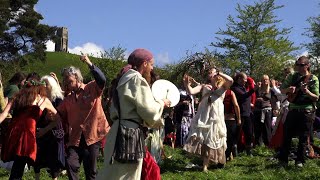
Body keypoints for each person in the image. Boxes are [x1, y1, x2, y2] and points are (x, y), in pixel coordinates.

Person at [98, 48, 170, 179]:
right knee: (126, 176)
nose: (152, 69)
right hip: (128, 134)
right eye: (151, 64)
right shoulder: (136, 79)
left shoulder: (122, 78)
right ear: (144, 63)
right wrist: (161, 103)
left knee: (112, 174)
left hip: (116, 132)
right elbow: (149, 111)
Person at [57, 54, 110, 180]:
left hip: (92, 135)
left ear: (77, 78)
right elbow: (57, 113)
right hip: (75, 139)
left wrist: (89, 63)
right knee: (70, 163)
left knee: (90, 171)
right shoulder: (68, 99)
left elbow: (102, 80)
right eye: (65, 81)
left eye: (69, 81)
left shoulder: (91, 88)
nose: (68, 84)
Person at [0, 80, 60, 180]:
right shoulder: (42, 100)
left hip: (16, 134)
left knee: (18, 165)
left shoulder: (19, 97)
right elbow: (58, 119)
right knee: (19, 165)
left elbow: (3, 114)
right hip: (26, 136)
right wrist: (45, 129)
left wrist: (45, 128)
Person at [183, 68, 233, 171]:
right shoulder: (203, 86)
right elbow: (191, 91)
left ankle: (207, 165)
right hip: (204, 115)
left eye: (212, 72)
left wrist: (220, 73)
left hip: (216, 117)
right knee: (204, 139)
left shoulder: (223, 86)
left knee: (213, 138)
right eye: (209, 72)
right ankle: (204, 165)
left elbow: (231, 80)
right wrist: (187, 84)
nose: (210, 74)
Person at [279, 56, 319, 167]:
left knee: (303, 137)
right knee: (286, 135)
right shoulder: (292, 76)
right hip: (293, 109)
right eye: (297, 64)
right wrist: (288, 89)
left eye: (301, 65)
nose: (298, 67)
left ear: (307, 65)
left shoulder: (313, 79)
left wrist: (307, 91)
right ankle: (283, 160)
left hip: (307, 111)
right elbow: (282, 89)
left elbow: (316, 97)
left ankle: (300, 161)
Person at [34, 75, 65, 180]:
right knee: (38, 156)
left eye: (46, 84)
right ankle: (37, 178)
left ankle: (54, 178)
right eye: (42, 84)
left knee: (53, 158)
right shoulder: (41, 99)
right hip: (43, 131)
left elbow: (58, 119)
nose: (44, 86)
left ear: (52, 86)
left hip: (54, 132)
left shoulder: (57, 100)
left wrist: (44, 130)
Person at [231, 72, 258, 156]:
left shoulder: (243, 87)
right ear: (239, 79)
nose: (246, 81)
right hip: (240, 114)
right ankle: (234, 151)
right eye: (244, 79)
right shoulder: (235, 88)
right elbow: (243, 96)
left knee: (249, 133)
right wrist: (253, 89)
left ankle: (248, 151)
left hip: (248, 113)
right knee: (237, 133)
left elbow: (246, 97)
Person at [223, 88, 241, 160]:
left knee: (226, 138)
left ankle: (228, 154)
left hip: (226, 118)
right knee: (229, 138)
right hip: (229, 118)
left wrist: (239, 118)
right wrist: (238, 118)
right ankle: (228, 154)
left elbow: (236, 106)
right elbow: (236, 106)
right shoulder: (230, 92)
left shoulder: (229, 93)